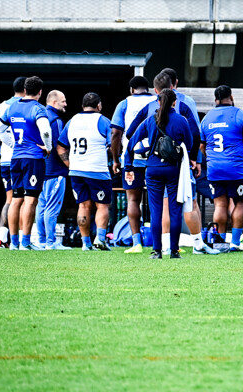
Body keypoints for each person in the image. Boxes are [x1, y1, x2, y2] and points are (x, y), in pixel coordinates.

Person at [124, 88, 196, 259]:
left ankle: (156, 251)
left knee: (155, 211)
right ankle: (174, 251)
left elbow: (130, 141)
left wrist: (128, 166)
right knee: (175, 210)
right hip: (173, 169)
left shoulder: (150, 120)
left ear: (158, 101)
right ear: (174, 102)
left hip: (152, 168)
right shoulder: (181, 120)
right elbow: (190, 144)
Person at [157, 69, 214, 256]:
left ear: (156, 89)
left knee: (165, 204)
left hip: (156, 162)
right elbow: (195, 133)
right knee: (190, 202)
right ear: (175, 83)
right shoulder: (186, 102)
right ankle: (198, 244)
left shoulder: (150, 104)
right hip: (180, 161)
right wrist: (195, 160)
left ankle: (165, 246)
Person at [202, 85, 243, 253]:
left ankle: (219, 243)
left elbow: (202, 146)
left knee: (220, 205)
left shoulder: (207, 118)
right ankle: (234, 242)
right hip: (236, 168)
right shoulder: (240, 114)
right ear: (231, 97)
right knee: (240, 203)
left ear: (215, 99)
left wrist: (211, 160)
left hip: (215, 169)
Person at [56, 93, 113, 251]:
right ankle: (100, 239)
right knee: (102, 205)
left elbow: (60, 146)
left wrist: (70, 164)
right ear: (99, 106)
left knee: (83, 206)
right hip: (97, 170)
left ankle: (85, 243)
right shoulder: (102, 121)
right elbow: (112, 144)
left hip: (76, 170)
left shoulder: (72, 121)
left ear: (82, 106)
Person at [110, 75, 154, 253]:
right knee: (158, 200)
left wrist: (115, 158)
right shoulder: (157, 102)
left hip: (132, 159)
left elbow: (115, 133)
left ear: (131, 89)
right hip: (155, 158)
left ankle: (136, 243)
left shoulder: (124, 104)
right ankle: (160, 240)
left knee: (133, 199)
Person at [6, 76, 48, 250]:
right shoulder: (38, 108)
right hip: (33, 158)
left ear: (24, 89)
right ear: (40, 92)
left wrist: (12, 143)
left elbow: (0, 127)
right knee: (30, 200)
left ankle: (13, 243)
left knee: (16, 199)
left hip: (15, 157)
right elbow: (45, 130)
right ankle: (25, 242)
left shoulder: (11, 106)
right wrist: (48, 147)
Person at [0, 76, 24, 248]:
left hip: (5, 159)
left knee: (10, 199)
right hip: (24, 158)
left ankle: (3, 238)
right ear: (27, 89)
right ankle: (23, 239)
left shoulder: (0, 107)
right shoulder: (28, 106)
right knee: (26, 200)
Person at [36, 90, 67, 249]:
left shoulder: (39, 116)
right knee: (52, 207)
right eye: (63, 101)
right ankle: (50, 242)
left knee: (41, 205)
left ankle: (40, 241)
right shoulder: (55, 120)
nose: (66, 104)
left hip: (40, 170)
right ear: (54, 102)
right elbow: (59, 146)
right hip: (55, 170)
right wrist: (68, 164)